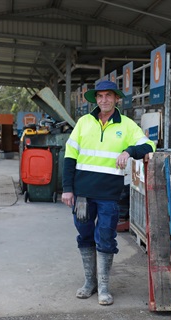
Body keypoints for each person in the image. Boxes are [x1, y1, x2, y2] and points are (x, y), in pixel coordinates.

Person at [62, 80, 156, 306]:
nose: (104, 100)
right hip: (83, 194)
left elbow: (149, 146)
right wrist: (67, 189)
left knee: (105, 236)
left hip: (109, 196)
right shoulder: (84, 122)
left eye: (108, 96)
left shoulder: (126, 125)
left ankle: (104, 287)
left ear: (116, 99)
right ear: (96, 99)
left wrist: (128, 150)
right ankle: (89, 283)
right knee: (84, 235)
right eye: (100, 96)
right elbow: (69, 157)